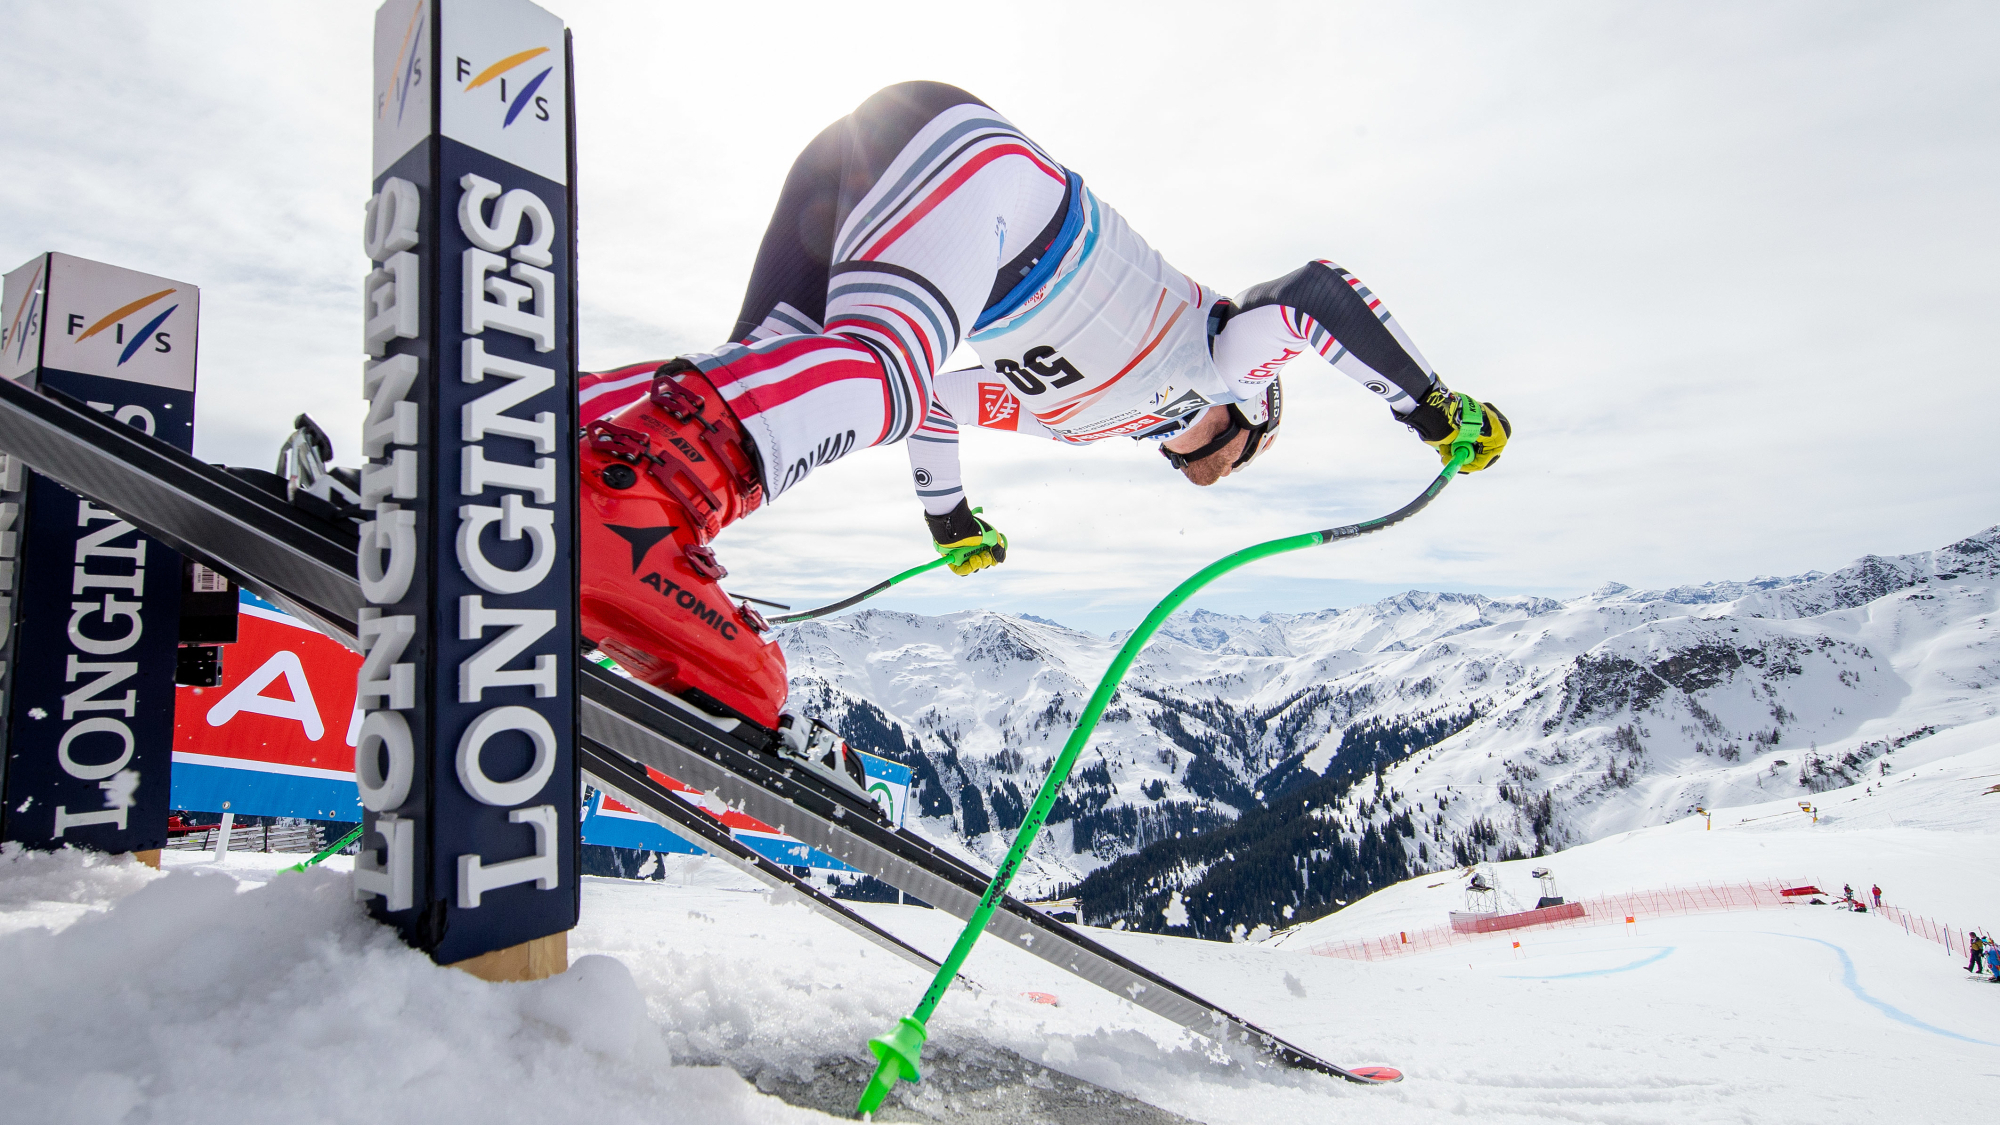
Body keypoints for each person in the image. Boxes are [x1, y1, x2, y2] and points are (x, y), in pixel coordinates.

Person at [576, 81, 1510, 730]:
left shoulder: (1079, 419)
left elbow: (939, 402)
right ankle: (621, 507)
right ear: (1252, 419)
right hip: (968, 172)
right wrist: (1428, 405)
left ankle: (576, 433)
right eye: (1248, 455)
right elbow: (1312, 295)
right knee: (882, 364)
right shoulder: (1224, 359)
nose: (1225, 473)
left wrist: (949, 519)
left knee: (778, 372)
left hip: (886, 171)